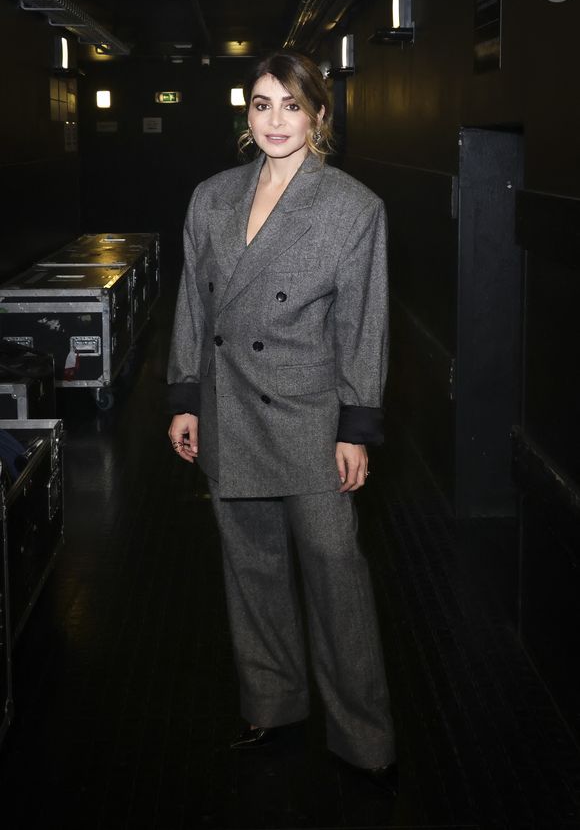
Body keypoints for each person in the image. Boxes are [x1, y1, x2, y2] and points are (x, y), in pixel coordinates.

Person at [167, 50, 397, 791]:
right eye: (262, 105)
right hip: (230, 408)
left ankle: (363, 737)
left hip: (307, 414)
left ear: (319, 115)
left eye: (291, 106)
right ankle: (275, 704)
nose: (274, 121)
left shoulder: (352, 208)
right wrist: (184, 395)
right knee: (251, 567)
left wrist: (355, 425)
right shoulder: (211, 198)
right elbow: (194, 307)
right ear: (247, 113)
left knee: (336, 573)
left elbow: (365, 324)